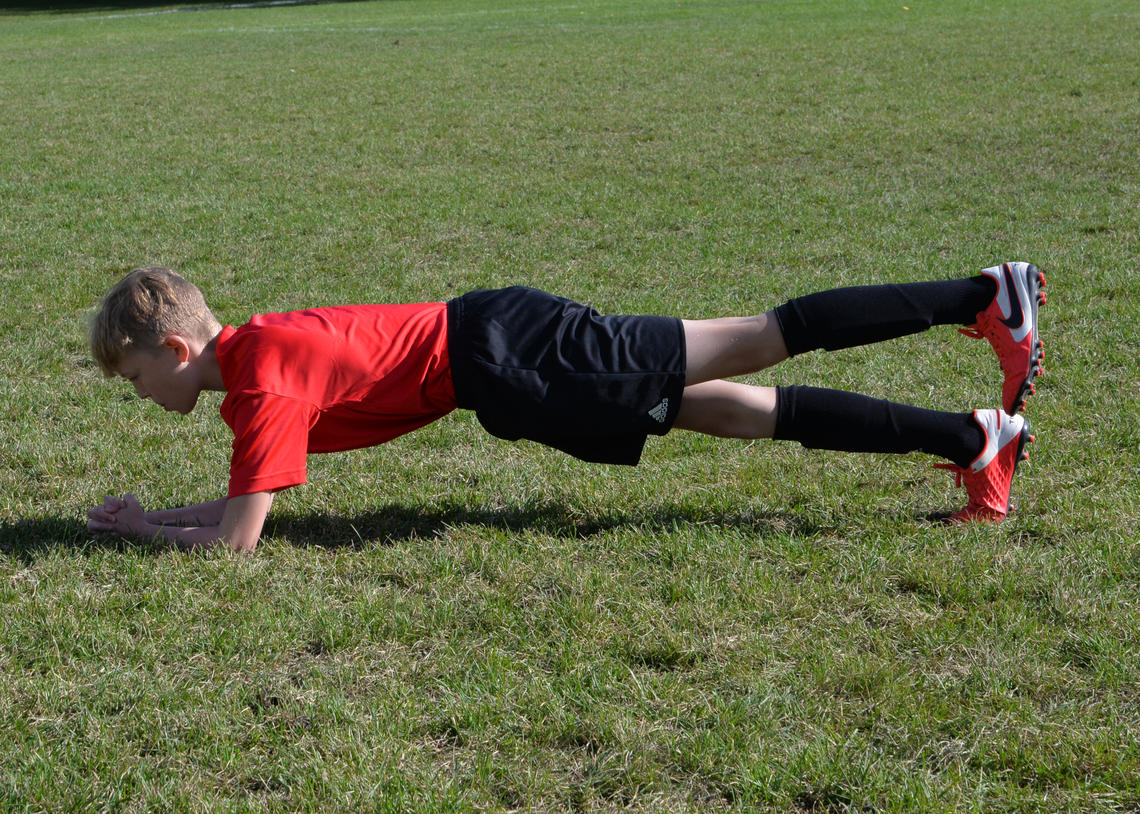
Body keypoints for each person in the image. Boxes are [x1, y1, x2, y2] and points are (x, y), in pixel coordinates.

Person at [86, 263, 1046, 552]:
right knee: (736, 409)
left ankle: (984, 296)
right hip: (513, 369)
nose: (143, 397)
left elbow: (237, 543)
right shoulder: (253, 357)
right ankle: (973, 438)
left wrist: (135, 532)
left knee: (757, 338)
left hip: (522, 359)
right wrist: (153, 515)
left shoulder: (260, 382)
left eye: (136, 379)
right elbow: (243, 508)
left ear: (176, 349)